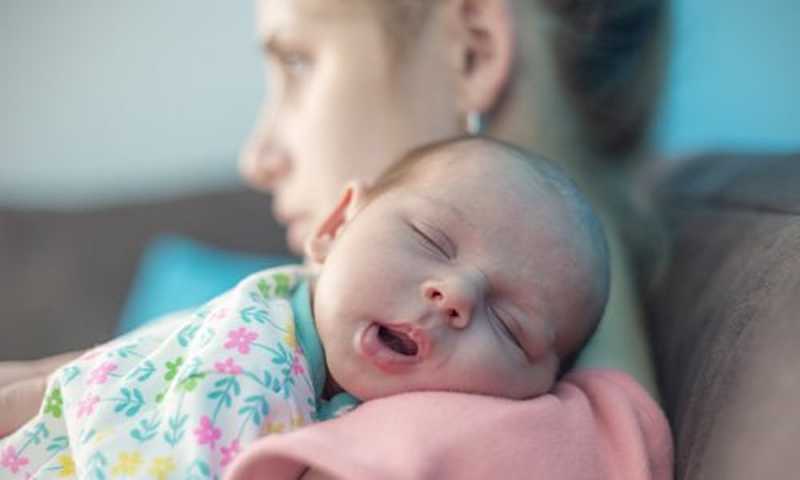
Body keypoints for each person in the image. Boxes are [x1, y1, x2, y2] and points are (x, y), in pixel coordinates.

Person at [0, 0, 668, 474]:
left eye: (296, 61)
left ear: (474, 47)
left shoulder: (524, 436)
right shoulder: (309, 328)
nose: (257, 156)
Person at [0, 137, 621, 478]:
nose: (455, 295)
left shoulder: (394, 443)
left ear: (539, 387)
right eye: (431, 240)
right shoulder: (249, 315)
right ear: (335, 225)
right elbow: (78, 381)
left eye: (511, 329)